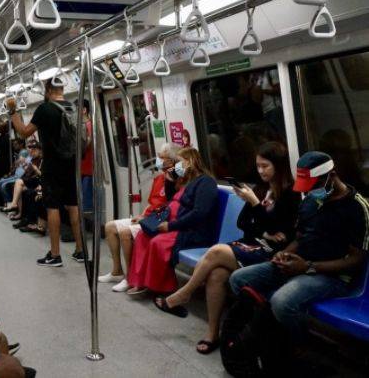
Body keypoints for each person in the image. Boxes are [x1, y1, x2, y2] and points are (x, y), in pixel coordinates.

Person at [162, 142, 300, 354]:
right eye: (258, 166)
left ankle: (184, 293)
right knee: (216, 274)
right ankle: (212, 334)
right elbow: (243, 223)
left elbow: (281, 233)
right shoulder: (260, 189)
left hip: (271, 253)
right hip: (254, 243)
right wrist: (264, 231)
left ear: (279, 166)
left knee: (217, 251)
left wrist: (256, 205)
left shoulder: (291, 194)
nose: (261, 171)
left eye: (265, 166)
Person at [229, 151, 369, 349]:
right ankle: (269, 334)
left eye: (314, 186)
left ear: (332, 176)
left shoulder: (356, 207)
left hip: (333, 277)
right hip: (299, 264)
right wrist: (285, 253)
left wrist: (308, 267)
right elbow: (301, 237)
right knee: (238, 279)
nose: (310, 192)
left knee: (281, 301)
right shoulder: (310, 201)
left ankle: (302, 348)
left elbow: (356, 259)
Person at [127, 148, 218, 310]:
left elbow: (199, 213)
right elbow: (170, 201)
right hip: (176, 223)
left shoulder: (206, 182)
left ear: (191, 162)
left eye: (180, 162)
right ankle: (140, 281)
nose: (177, 166)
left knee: (158, 242)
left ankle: (163, 288)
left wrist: (170, 226)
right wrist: (170, 178)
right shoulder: (187, 180)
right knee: (143, 235)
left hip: (191, 230)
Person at [6, 79, 84, 266]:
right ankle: (81, 251)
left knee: (53, 207)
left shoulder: (45, 109)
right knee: (74, 206)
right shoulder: (73, 107)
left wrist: (13, 112)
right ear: (62, 89)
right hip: (72, 164)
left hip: (52, 166)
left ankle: (55, 255)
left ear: (48, 90)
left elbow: (24, 132)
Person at [98, 143, 180, 292]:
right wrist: (142, 215)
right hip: (148, 217)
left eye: (162, 157)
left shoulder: (176, 182)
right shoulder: (159, 178)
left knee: (125, 233)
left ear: (171, 161)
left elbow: (169, 209)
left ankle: (130, 278)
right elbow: (151, 203)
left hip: (158, 220)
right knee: (110, 227)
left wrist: (145, 219)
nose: (158, 160)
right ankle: (117, 271)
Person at [78, 99, 93, 213]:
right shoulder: (82, 126)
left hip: (88, 168)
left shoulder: (89, 125)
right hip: (83, 168)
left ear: (84, 110)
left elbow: (88, 143)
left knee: (86, 204)